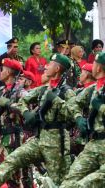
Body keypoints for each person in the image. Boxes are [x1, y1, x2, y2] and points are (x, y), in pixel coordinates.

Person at [0, 53, 75, 186]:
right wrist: (26, 113)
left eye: (50, 64)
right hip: (39, 139)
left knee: (58, 181)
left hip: (56, 143)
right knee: (11, 161)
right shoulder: (43, 89)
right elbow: (23, 101)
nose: (46, 66)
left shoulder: (66, 92)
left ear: (57, 69)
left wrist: (56, 100)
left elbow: (72, 115)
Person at [61, 52, 105, 187]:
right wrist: (78, 117)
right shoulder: (93, 88)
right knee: (69, 181)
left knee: (85, 184)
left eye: (95, 63)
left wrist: (102, 107)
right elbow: (73, 103)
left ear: (98, 68)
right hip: (93, 143)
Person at [0, 58, 32, 187]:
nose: (0, 72)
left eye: (2, 70)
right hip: (1, 138)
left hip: (16, 139)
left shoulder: (21, 92)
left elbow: (27, 112)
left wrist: (9, 104)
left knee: (18, 176)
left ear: (9, 72)